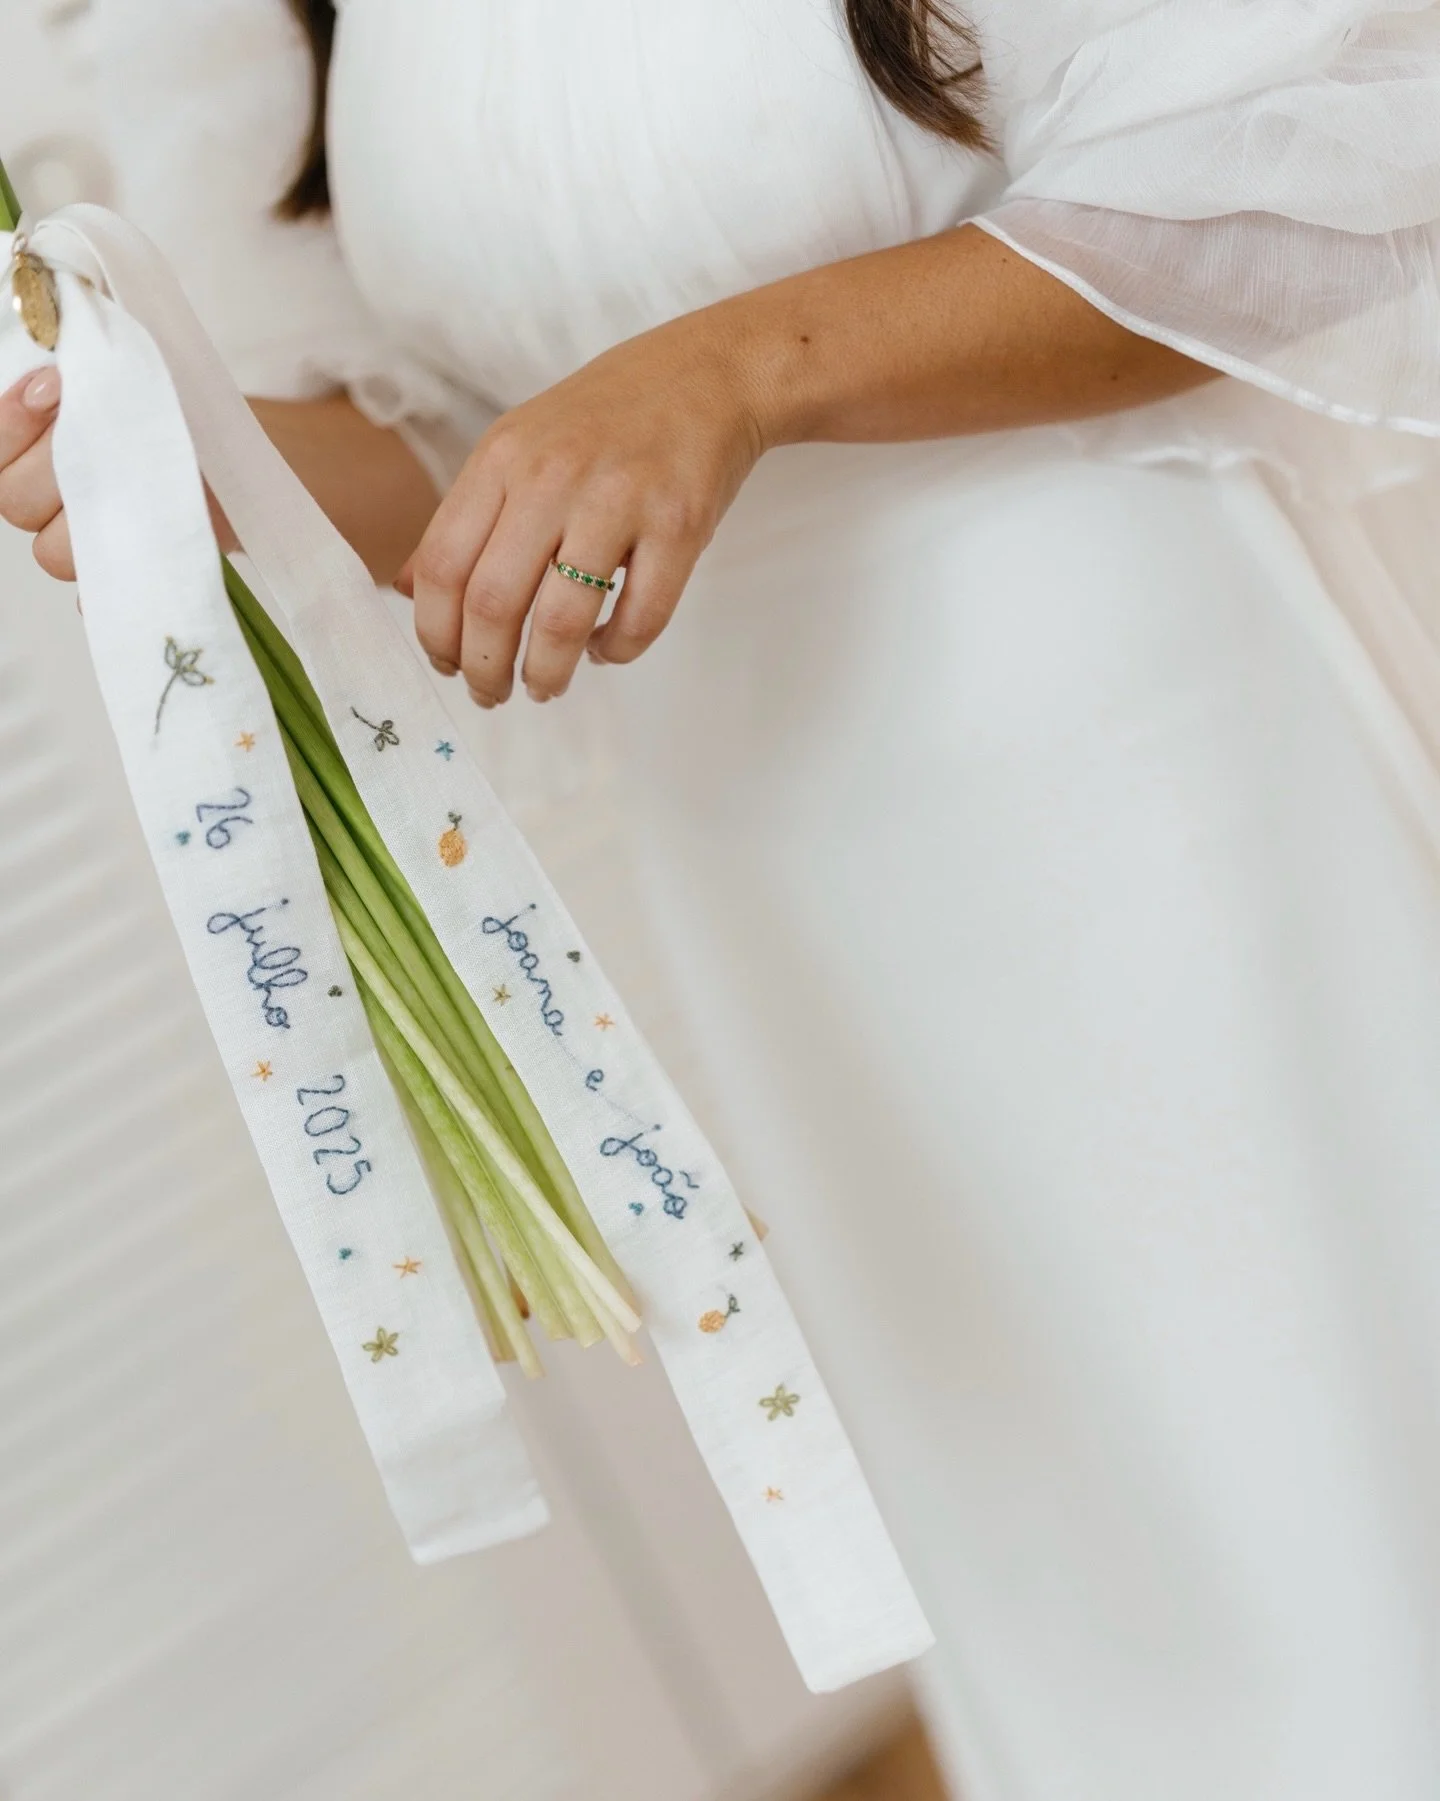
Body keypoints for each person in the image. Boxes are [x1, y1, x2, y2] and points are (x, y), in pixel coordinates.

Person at [5, 1, 1440, 1793]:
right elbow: (465, 444)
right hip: (763, 840)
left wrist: (735, 373)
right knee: (1057, 1511)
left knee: (1318, 1459)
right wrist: (188, 486)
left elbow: (1320, 176)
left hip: (1127, 742)